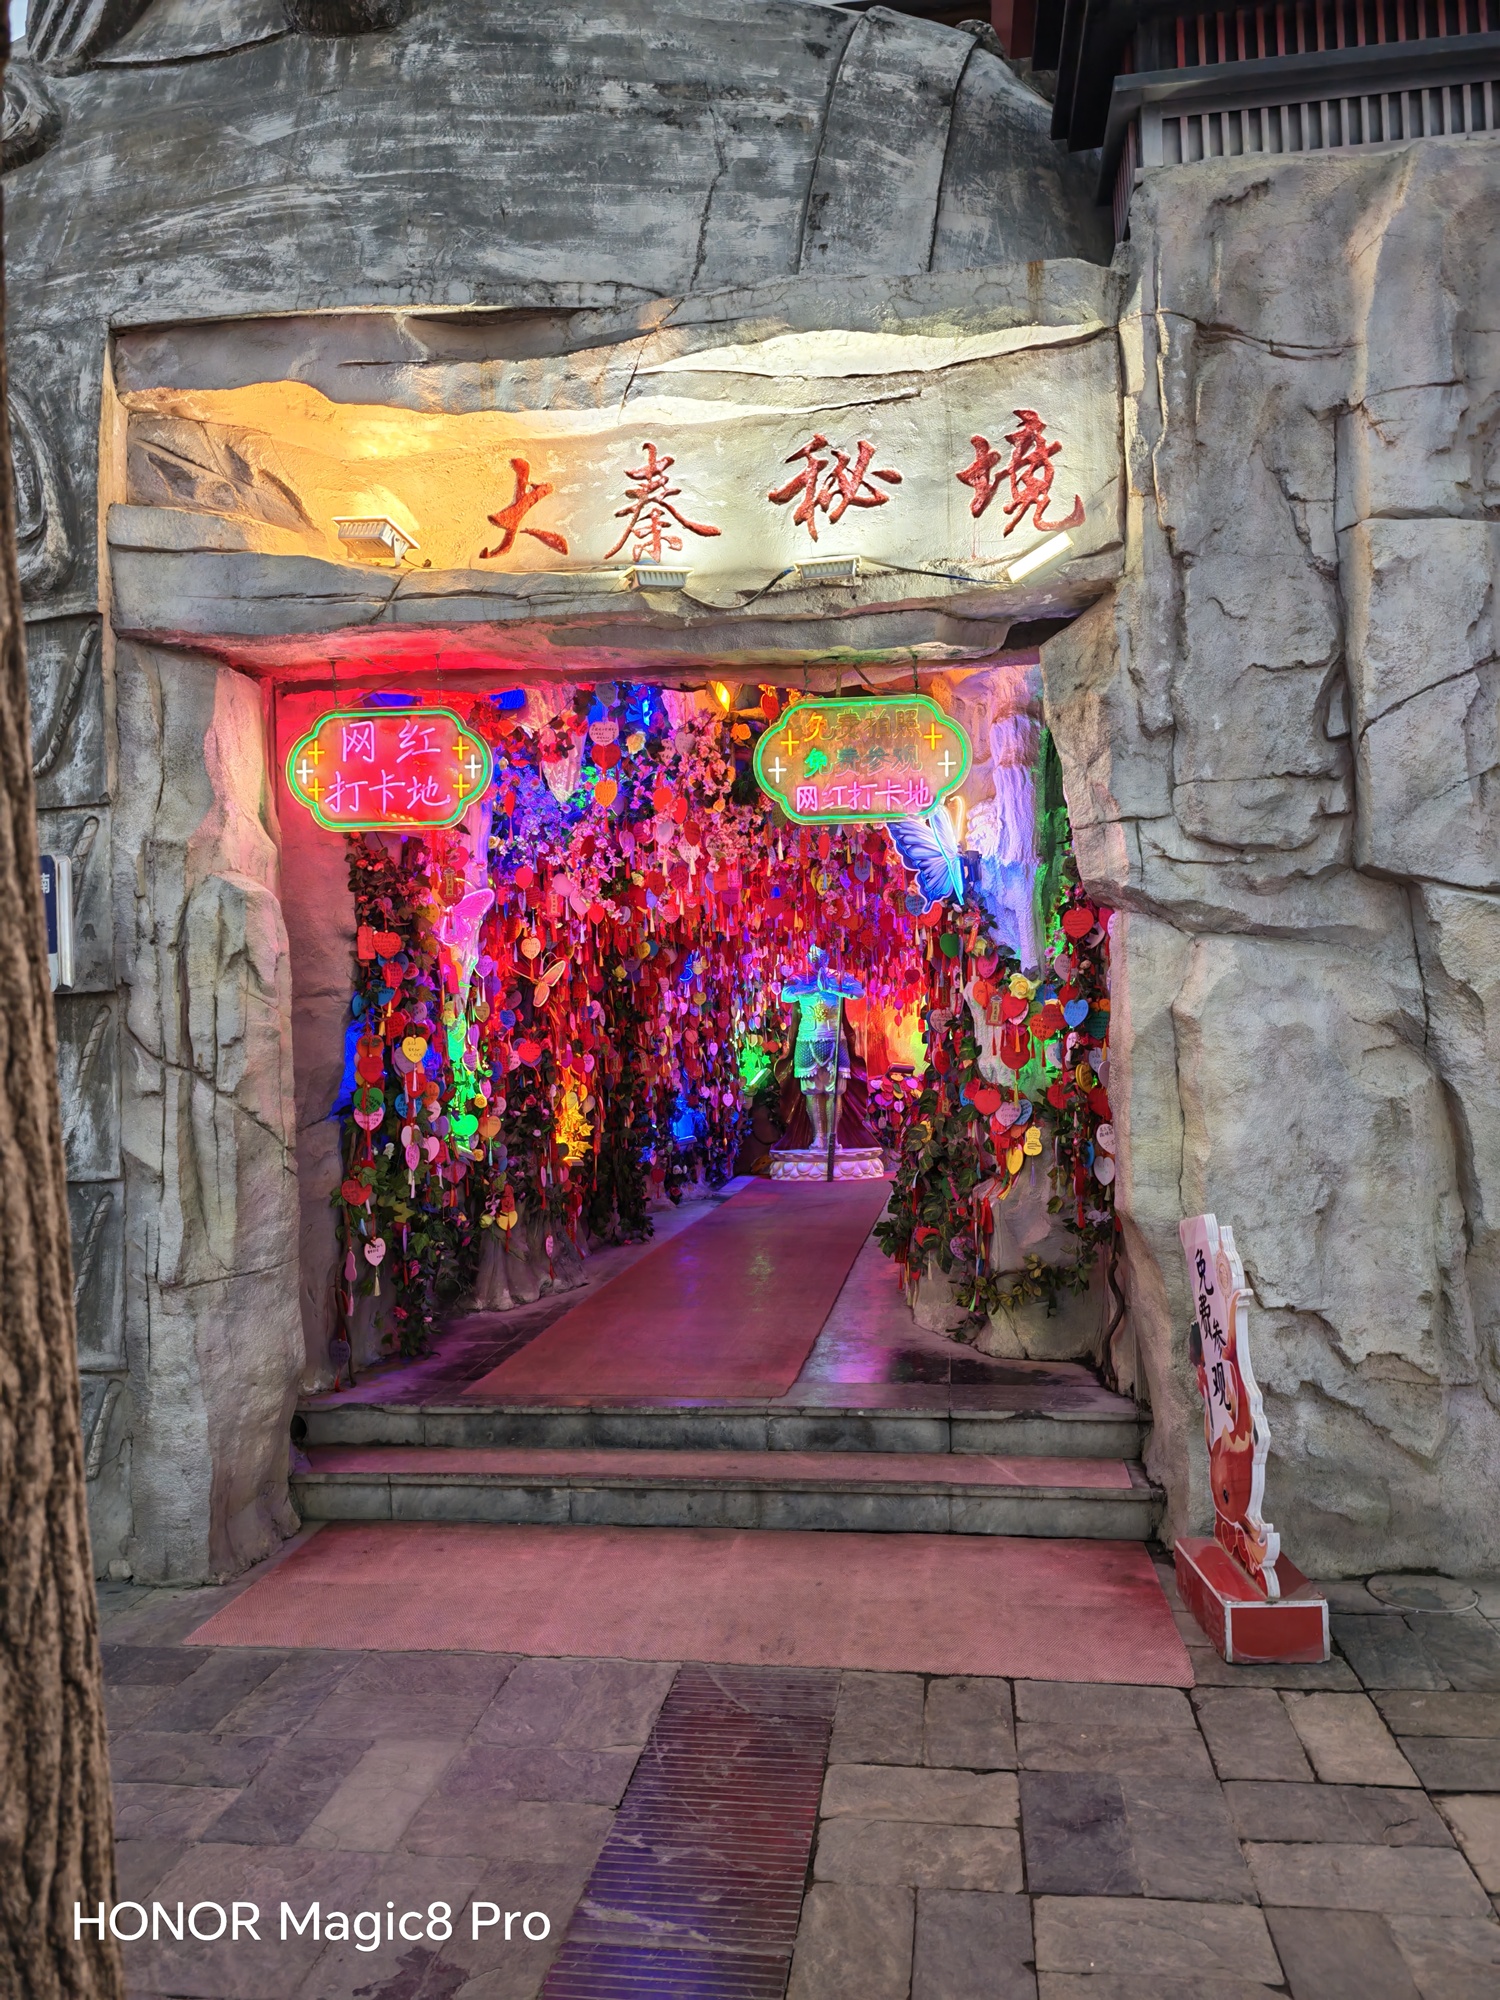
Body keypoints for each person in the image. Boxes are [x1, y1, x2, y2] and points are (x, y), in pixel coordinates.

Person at [780, 946, 862, 1154]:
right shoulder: (800, 977)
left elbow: (858, 991)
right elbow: (786, 995)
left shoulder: (839, 976)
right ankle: (819, 1137)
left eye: (821, 955)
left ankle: (833, 1137)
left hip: (835, 1039)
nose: (817, 959)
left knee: (835, 1091)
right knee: (812, 1091)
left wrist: (832, 987)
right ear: (808, 957)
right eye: (813, 956)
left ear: (828, 956)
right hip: (808, 1039)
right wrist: (813, 987)